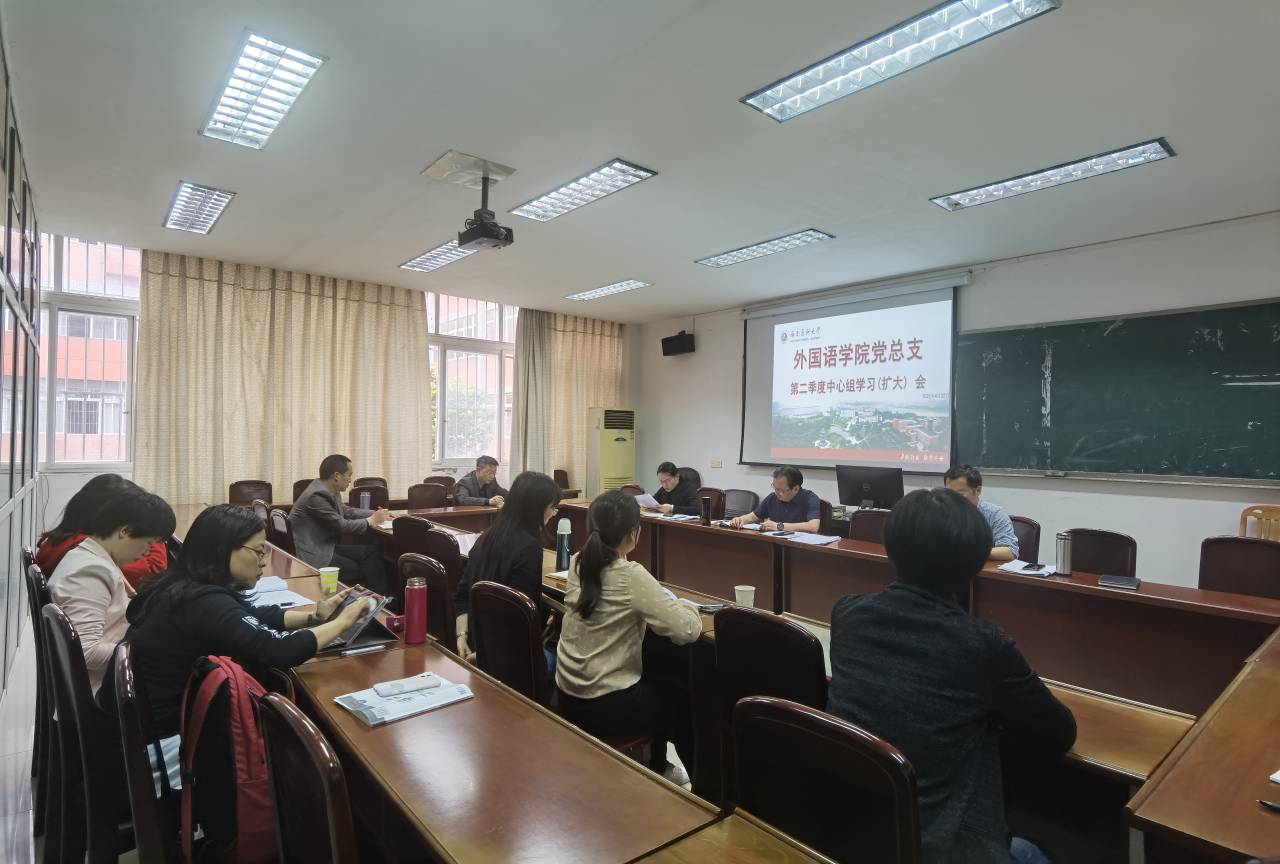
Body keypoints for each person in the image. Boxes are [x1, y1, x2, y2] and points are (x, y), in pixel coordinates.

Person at [826, 488, 1075, 863]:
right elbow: (1059, 733)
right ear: (974, 564)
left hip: (855, 830)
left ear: (891, 550)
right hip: (942, 846)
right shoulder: (982, 644)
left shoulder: (848, 614)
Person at [117, 504, 370, 857]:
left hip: (139, 729)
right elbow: (277, 650)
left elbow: (248, 616)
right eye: (258, 551)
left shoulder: (185, 586)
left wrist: (316, 615)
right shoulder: (204, 602)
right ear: (224, 551)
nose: (264, 560)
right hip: (165, 746)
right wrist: (343, 623)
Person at [555, 491, 704, 785]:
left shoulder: (578, 562)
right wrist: (688, 605)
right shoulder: (631, 575)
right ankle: (701, 791)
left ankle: (660, 765)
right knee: (682, 702)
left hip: (568, 694)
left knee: (656, 677)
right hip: (606, 705)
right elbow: (686, 630)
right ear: (633, 533)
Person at [48, 485, 176, 694]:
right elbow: (87, 652)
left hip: (107, 678)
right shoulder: (89, 572)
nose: (147, 552)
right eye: (148, 543)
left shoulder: (91, 557)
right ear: (125, 531)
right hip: (103, 689)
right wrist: (148, 651)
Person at [454, 471, 561, 661]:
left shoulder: (486, 537)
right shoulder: (529, 547)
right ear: (536, 508)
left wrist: (461, 637)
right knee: (560, 661)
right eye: (552, 507)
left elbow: (462, 594)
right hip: (507, 657)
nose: (553, 514)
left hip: (475, 644)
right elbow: (520, 614)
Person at [37, 473, 170, 590]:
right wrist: (152, 528)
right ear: (108, 512)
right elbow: (152, 572)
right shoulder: (86, 550)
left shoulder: (66, 538)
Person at [289, 454, 392, 591]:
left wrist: (377, 514)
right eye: (349, 475)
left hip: (325, 547)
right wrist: (371, 520)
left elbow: (346, 511)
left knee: (370, 552)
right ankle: (375, 598)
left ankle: (381, 598)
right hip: (315, 556)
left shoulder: (328, 489)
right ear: (337, 476)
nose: (350, 480)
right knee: (363, 568)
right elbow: (341, 525)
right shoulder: (317, 495)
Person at [944, 465, 1019, 561]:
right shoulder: (942, 512)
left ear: (978, 490)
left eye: (960, 494)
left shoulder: (994, 514)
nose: (953, 498)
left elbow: (1010, 552)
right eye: (949, 493)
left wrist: (969, 553)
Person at [728, 466, 821, 533]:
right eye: (775, 488)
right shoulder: (772, 498)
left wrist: (780, 526)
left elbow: (813, 526)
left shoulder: (810, 498)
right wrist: (740, 519)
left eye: (781, 490)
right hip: (774, 544)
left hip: (800, 547)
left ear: (796, 489)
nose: (777, 493)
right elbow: (753, 517)